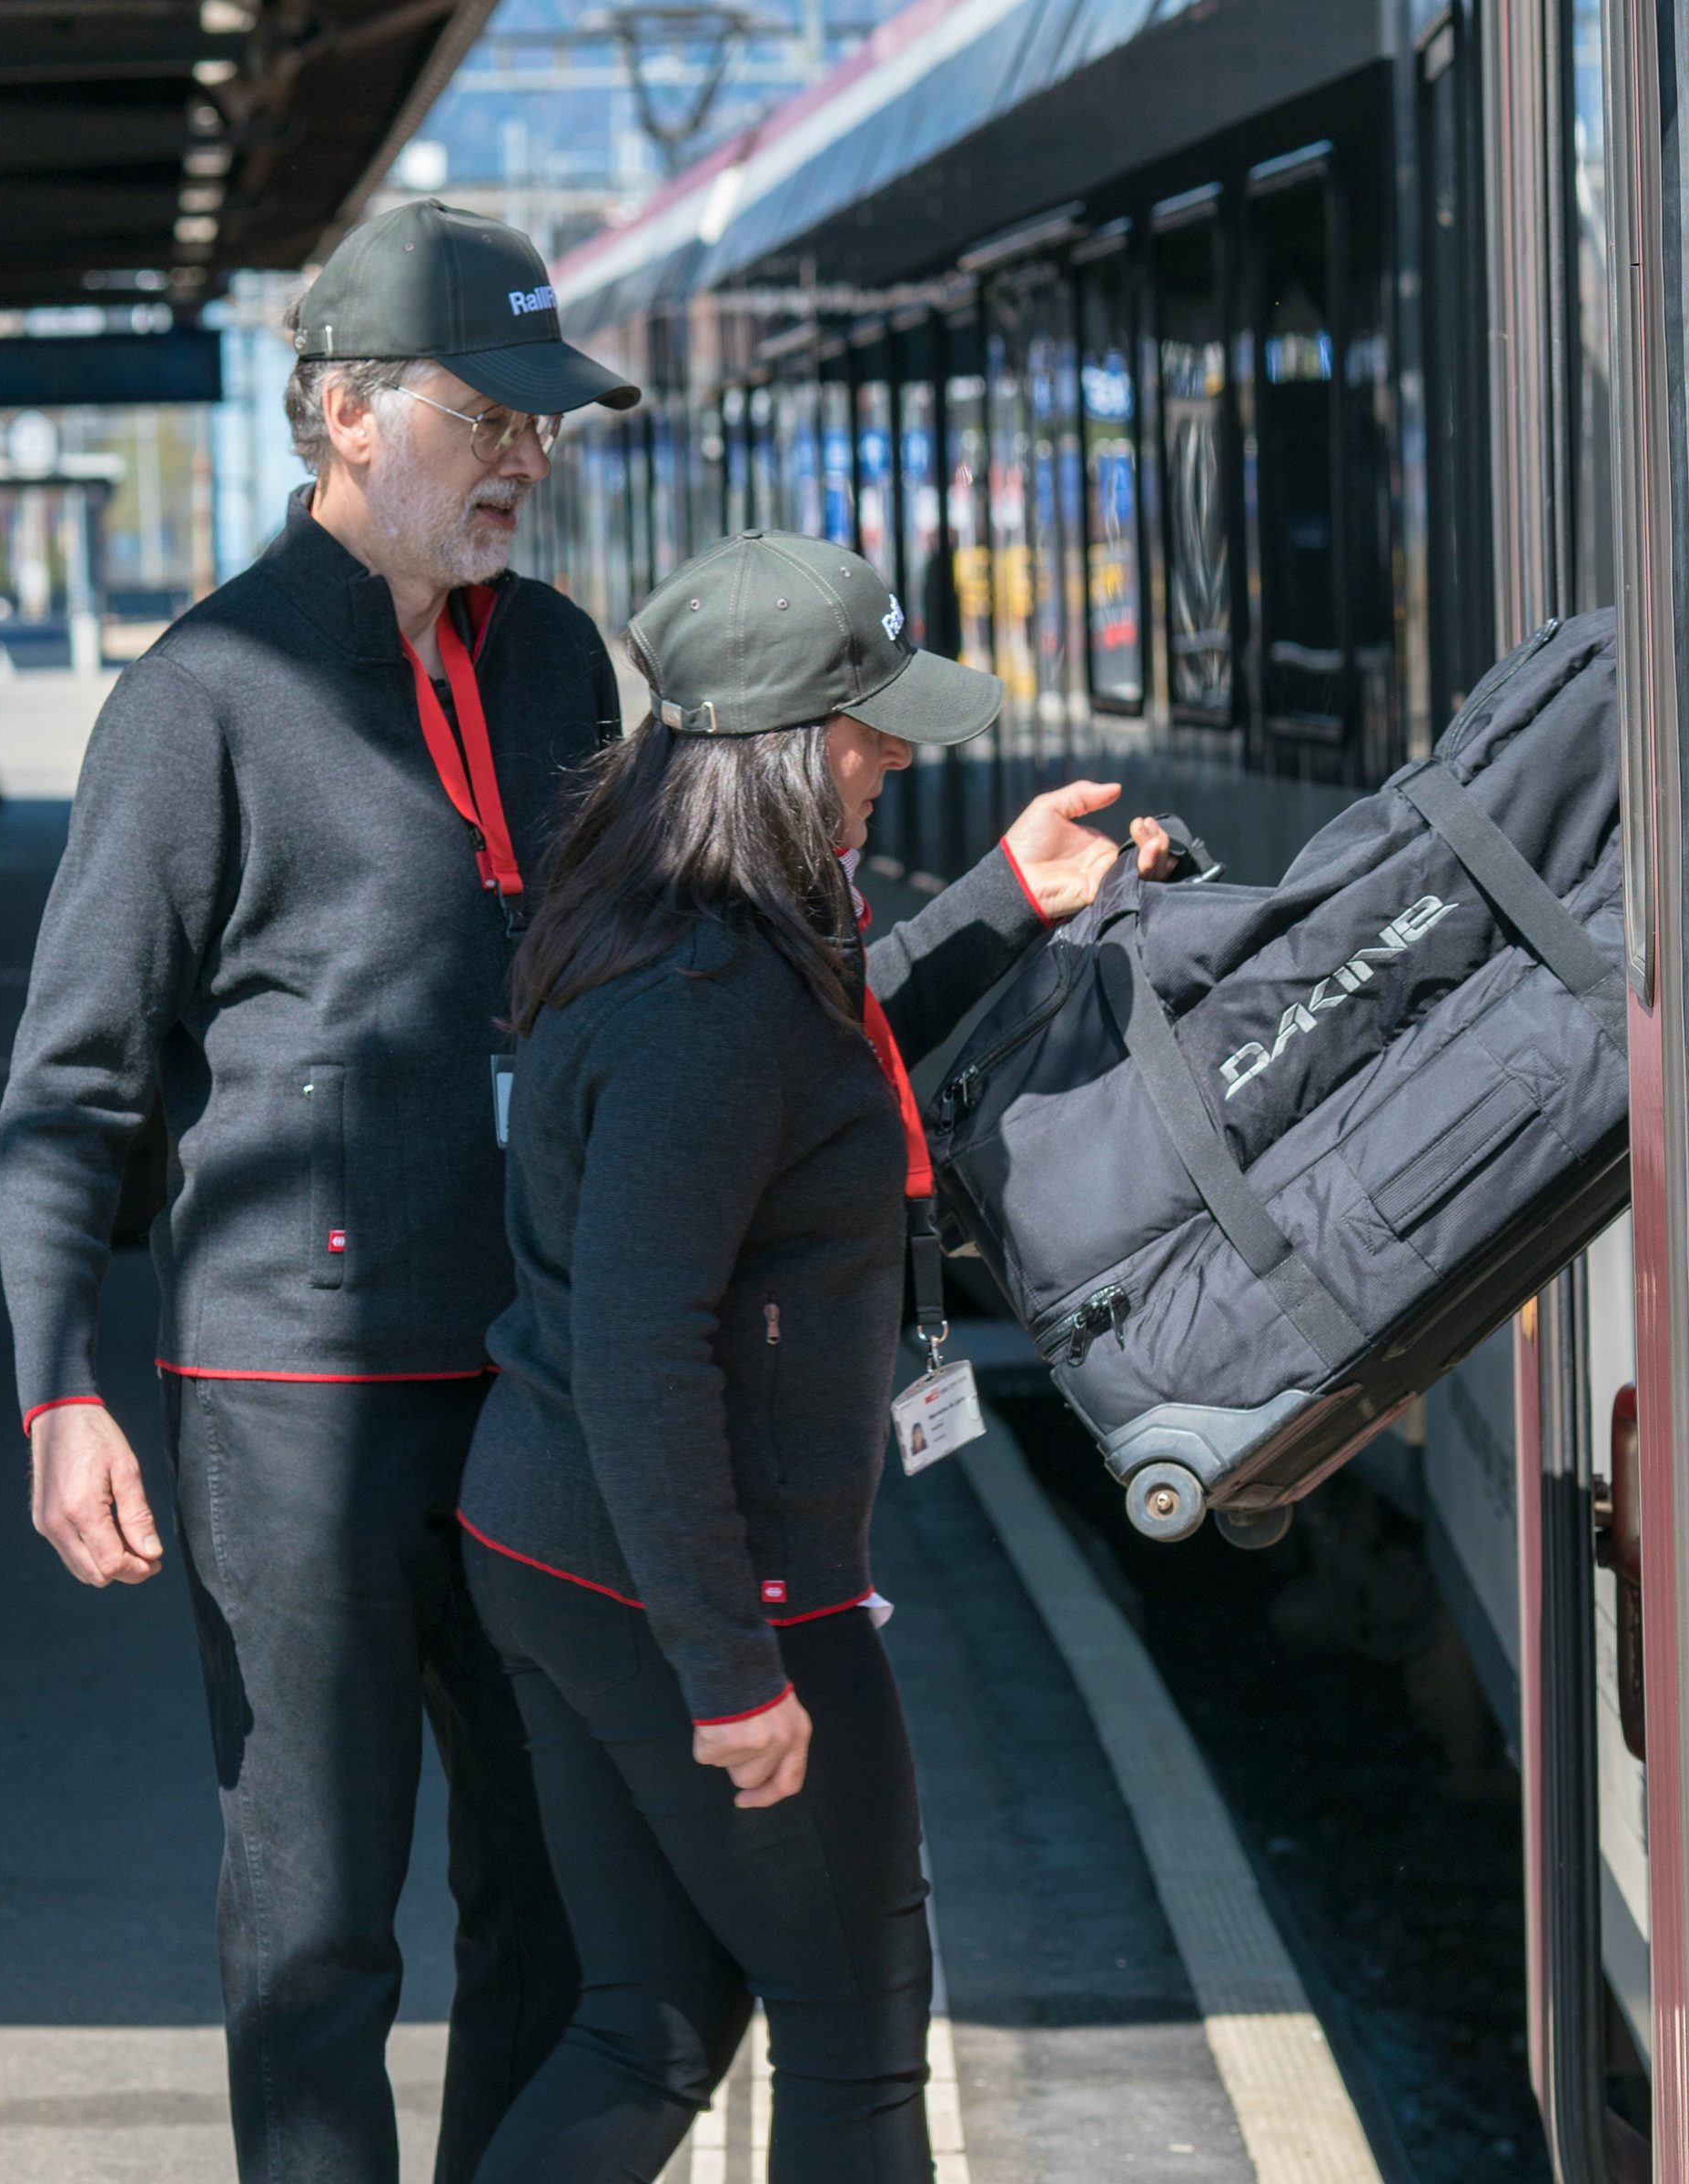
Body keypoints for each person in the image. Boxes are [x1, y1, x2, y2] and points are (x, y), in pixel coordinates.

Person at [0, 199, 645, 2184]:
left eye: (543, 423)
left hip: (529, 1383)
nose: (527, 458)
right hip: (294, 1409)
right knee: (317, 1924)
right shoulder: (203, 695)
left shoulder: (558, 666)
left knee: (559, 1893)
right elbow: (74, 1080)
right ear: (351, 416)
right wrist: (57, 1386)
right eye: (488, 416)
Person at [453, 529, 1171, 2181]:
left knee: (648, 2027)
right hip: (708, 1579)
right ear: (781, 747)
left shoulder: (682, 927)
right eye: (873, 729)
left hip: (559, 1546)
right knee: (853, 2055)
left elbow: (820, 1071)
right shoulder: (711, 1001)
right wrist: (731, 1671)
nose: (897, 759)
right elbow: (644, 1349)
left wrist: (1006, 900)